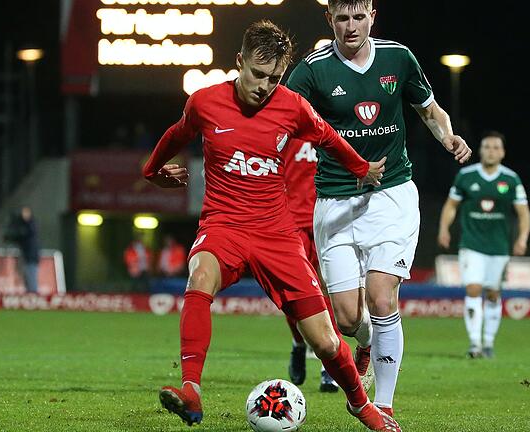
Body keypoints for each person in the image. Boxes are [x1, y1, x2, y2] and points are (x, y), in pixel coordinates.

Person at [143, 20, 400, 431]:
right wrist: (152, 170)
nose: (265, 86)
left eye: (275, 78)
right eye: (258, 75)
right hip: (223, 224)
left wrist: (362, 168)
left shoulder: (292, 106)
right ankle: (191, 389)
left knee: (327, 340)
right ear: (240, 62)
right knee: (199, 276)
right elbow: (178, 133)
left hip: (276, 234)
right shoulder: (205, 102)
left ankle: (361, 405)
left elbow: (329, 137)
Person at [286, 0, 472, 417]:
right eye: (342, 18)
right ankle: (365, 342)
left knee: (382, 295)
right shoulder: (313, 69)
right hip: (334, 201)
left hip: (391, 196)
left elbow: (428, 109)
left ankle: (382, 406)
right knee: (349, 318)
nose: (351, 27)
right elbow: (278, 116)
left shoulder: (398, 58)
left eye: (358, 17)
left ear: (373, 14)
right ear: (328, 19)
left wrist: (448, 137)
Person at [437, 130, 530, 359]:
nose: (491, 151)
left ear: (503, 152)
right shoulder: (466, 176)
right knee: (473, 289)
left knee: (493, 293)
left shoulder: (510, 179)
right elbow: (451, 206)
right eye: (487, 147)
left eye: (495, 147)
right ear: (480, 150)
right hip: (471, 244)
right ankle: (475, 344)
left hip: (499, 247)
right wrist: (444, 229)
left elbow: (523, 213)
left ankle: (488, 342)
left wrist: (522, 238)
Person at [282, 138, 341, 393]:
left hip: (328, 221)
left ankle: (329, 367)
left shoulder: (331, 129)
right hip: (290, 223)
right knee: (293, 294)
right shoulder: (283, 130)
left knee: (330, 292)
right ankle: (298, 343)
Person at [3, 206, 40, 294]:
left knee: (31, 277)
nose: (23, 215)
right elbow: (19, 237)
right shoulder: (25, 225)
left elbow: (23, 234)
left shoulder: (31, 225)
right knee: (27, 278)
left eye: (26, 213)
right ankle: (29, 296)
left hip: (31, 257)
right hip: (26, 256)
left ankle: (33, 296)